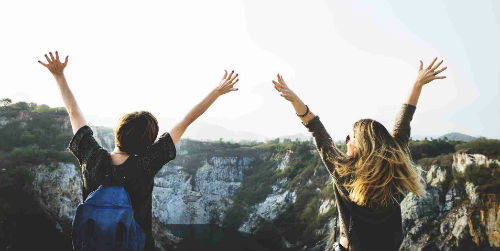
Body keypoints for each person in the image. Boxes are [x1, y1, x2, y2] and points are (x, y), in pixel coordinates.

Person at [38, 51, 240, 250]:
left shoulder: (92, 157)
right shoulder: (146, 163)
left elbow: (73, 111)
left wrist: (59, 75)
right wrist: (217, 92)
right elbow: (186, 121)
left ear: (118, 131)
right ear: (148, 142)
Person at [271, 58, 447, 251]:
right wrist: (417, 84)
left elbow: (316, 129)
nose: (346, 140)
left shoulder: (344, 172)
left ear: (362, 145)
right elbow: (404, 119)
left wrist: (295, 100)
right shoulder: (394, 167)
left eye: (351, 137)